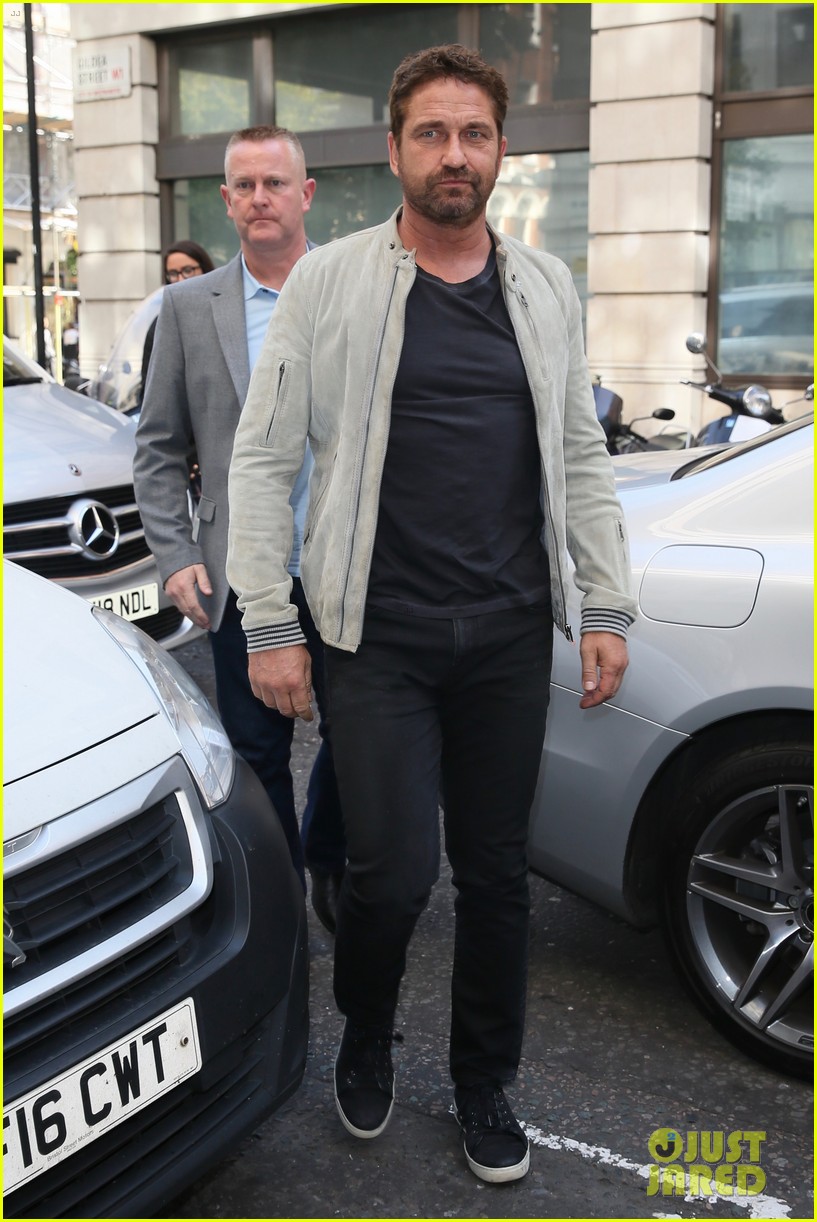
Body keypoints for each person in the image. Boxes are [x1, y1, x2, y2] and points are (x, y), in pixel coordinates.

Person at [226, 46, 637, 1184]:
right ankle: (367, 1028)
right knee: (393, 871)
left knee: (498, 877)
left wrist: (604, 599)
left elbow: (579, 454)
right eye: (432, 133)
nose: (455, 154)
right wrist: (270, 622)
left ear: (501, 150)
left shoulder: (544, 287)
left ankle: (483, 1079)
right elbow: (263, 459)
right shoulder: (329, 282)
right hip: (376, 638)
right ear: (395, 148)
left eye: (475, 134)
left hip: (507, 632)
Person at [133, 125, 346, 926]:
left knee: (359, 741)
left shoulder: (353, 291)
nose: (261, 198)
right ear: (226, 201)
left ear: (304, 193)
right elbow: (157, 448)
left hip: (346, 566)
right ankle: (283, 900)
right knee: (258, 753)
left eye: (275, 183)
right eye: (245, 186)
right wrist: (174, 554)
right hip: (239, 575)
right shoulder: (188, 308)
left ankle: (328, 856)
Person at [139, 240, 216, 401]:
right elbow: (151, 388)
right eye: (173, 274)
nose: (180, 279)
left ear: (204, 268)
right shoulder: (160, 324)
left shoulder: (225, 313)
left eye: (188, 270)